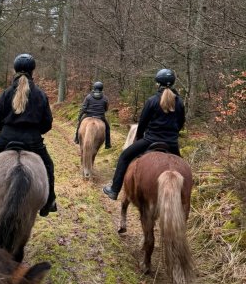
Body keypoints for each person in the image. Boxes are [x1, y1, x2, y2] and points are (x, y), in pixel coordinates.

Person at [0, 53, 57, 216]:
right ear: (32, 71)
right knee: (48, 165)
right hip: (32, 138)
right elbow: (47, 123)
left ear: (15, 70)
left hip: (7, 135)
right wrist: (36, 131)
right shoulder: (40, 94)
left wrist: (6, 130)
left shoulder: (6, 93)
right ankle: (49, 202)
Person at [103, 68, 185, 200]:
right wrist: (172, 135)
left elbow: (142, 123)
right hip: (172, 144)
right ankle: (183, 199)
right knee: (183, 169)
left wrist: (140, 137)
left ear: (158, 83)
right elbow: (181, 123)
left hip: (150, 140)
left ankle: (114, 190)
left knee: (124, 157)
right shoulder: (180, 102)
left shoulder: (152, 100)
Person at [74, 81, 111, 149]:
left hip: (88, 115)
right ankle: (108, 144)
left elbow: (84, 108)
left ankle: (76, 139)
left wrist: (80, 117)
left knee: (79, 124)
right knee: (107, 128)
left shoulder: (88, 97)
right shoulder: (105, 98)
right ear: (101, 88)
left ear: (94, 88)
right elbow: (106, 109)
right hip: (100, 116)